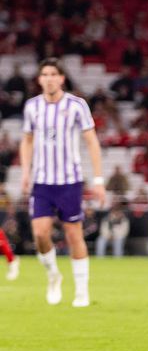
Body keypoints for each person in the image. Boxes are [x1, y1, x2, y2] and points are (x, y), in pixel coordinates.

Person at [20, 58, 106, 307]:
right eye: (44, 74)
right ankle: (53, 274)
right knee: (40, 234)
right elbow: (26, 141)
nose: (48, 78)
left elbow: (91, 142)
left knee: (73, 234)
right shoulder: (32, 107)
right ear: (39, 79)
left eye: (53, 74)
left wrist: (98, 180)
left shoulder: (77, 105)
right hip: (42, 182)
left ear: (61, 78)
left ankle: (81, 291)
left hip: (70, 181)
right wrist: (26, 171)